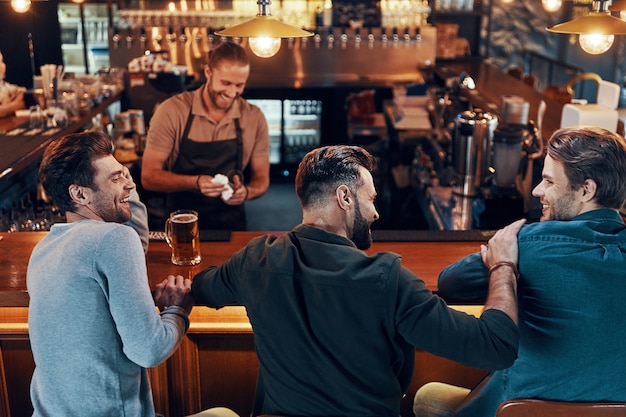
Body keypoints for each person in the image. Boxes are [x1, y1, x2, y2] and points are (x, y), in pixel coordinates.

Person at [191, 145, 521, 417]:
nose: (375, 213)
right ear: (345, 197)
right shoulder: (389, 279)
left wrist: (177, 291)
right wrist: (502, 264)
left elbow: (201, 287)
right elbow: (495, 346)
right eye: (371, 198)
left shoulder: (255, 259)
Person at [413, 126, 626, 417]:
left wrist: (505, 264)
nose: (537, 190)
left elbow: (450, 283)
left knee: (426, 396)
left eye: (549, 182)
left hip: (512, 410)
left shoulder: (528, 244)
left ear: (586, 190)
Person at [28, 131, 196, 416]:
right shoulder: (114, 239)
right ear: (79, 194)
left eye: (126, 174)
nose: (130, 184)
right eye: (116, 179)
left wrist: (119, 184)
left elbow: (130, 232)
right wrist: (176, 309)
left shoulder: (43, 249)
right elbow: (150, 349)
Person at [141, 41, 270, 231]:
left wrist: (246, 192)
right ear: (208, 72)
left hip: (231, 224)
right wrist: (196, 181)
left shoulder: (254, 117)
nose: (232, 92)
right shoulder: (171, 111)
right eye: (225, 83)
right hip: (181, 222)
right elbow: (149, 177)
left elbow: (262, 179)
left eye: (239, 85)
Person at [0, 51, 26, 118]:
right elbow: (18, 104)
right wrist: (13, 106)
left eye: (2, 61)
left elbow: (22, 91)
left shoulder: (3, 85)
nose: (2, 66)